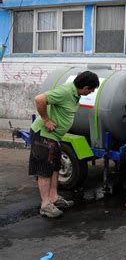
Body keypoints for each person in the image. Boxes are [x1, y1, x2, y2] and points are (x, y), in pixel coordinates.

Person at [29, 71, 99, 218]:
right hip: (44, 135)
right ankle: (45, 205)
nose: (91, 92)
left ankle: (54, 198)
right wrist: (46, 120)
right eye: (91, 89)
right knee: (44, 169)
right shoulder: (65, 92)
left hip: (54, 137)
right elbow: (40, 99)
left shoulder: (74, 93)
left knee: (54, 167)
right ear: (85, 87)